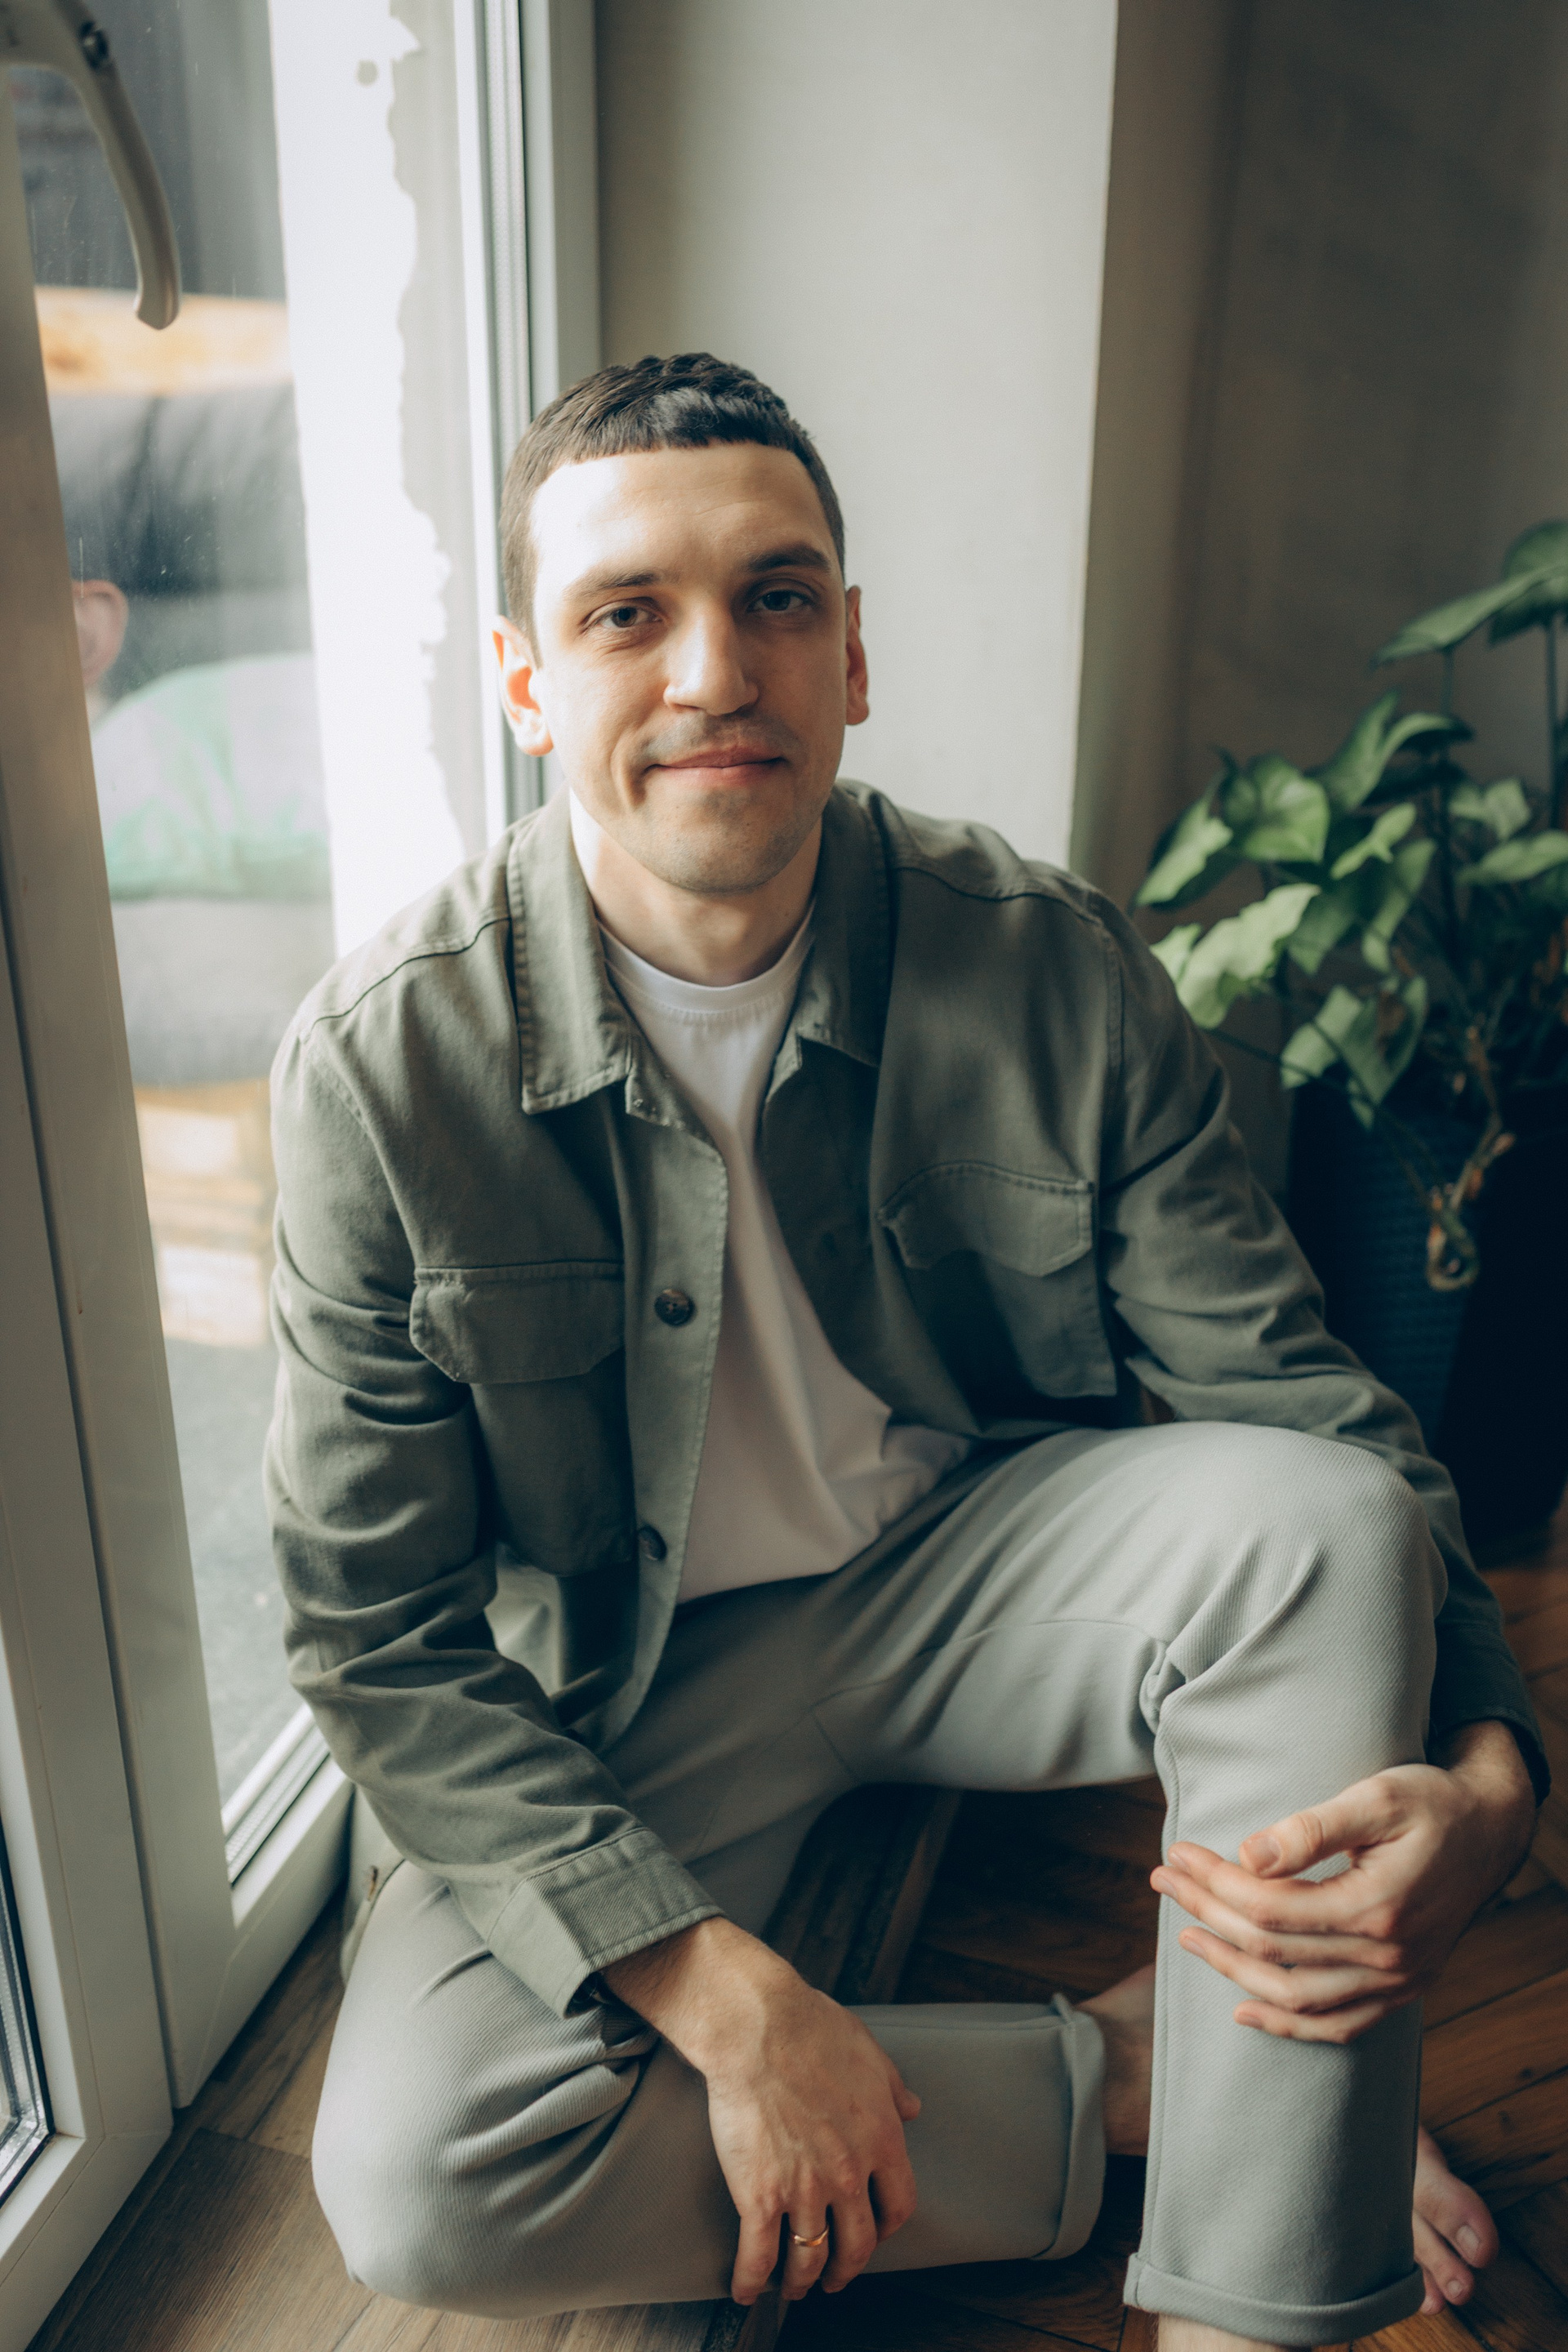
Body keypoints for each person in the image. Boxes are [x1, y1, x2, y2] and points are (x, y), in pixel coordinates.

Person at [269, 354, 1544, 2352]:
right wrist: (724, 2000)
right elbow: (373, 1637)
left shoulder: (1048, 962)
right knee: (425, 2179)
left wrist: (1491, 1778)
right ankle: (1144, 2079)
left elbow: (1301, 1411)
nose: (715, 672)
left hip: (974, 1580)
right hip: (616, 1690)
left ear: (851, 654)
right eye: (627, 614)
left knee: (1326, 1528)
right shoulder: (380, 1071)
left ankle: (1261, 2295)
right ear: (526, 682)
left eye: (775, 598)